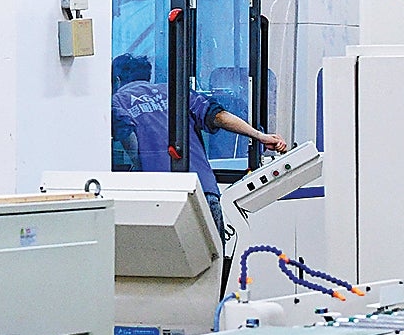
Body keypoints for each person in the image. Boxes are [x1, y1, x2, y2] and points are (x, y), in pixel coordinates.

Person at [108, 54, 288, 239]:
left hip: (161, 197)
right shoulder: (176, 92)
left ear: (117, 79)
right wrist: (260, 136)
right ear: (148, 76)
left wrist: (139, 168)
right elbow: (218, 116)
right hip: (204, 191)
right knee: (213, 263)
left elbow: (131, 140)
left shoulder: (117, 102)